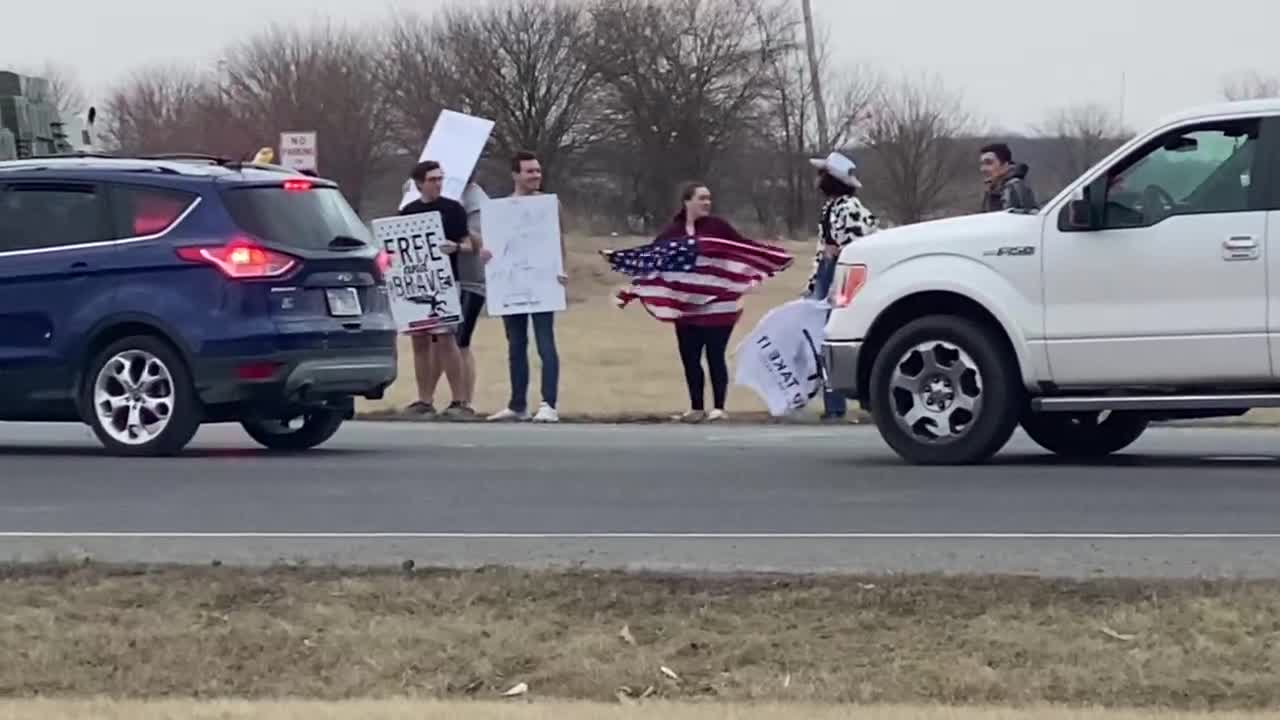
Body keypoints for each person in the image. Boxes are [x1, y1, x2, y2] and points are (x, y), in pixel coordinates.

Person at [654, 182, 755, 423]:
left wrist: (768, 259)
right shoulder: (673, 231)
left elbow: (744, 248)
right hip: (686, 306)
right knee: (690, 357)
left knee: (715, 355)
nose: (707, 203)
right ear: (687, 201)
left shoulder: (718, 227)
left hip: (720, 305)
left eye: (709, 198)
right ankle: (696, 407)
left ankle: (719, 407)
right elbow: (654, 257)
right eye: (701, 198)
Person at [487, 151, 567, 423]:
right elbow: (494, 246)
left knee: (545, 342)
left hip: (543, 283)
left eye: (538, 171)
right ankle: (517, 404)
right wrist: (488, 256)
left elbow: (557, 241)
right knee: (516, 344)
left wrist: (562, 269)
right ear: (515, 175)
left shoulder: (549, 205)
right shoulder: (500, 208)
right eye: (529, 171)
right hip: (511, 284)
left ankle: (548, 403)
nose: (535, 176)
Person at [806, 151, 879, 421]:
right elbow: (821, 249)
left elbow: (863, 246)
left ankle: (843, 406)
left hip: (844, 276)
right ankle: (832, 406)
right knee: (821, 338)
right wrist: (814, 284)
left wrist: (838, 254)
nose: (817, 179)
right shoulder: (831, 208)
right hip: (829, 275)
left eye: (822, 174)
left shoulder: (850, 209)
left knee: (836, 336)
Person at [399, 160, 476, 417]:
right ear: (419, 183)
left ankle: (459, 401)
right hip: (417, 282)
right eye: (432, 180)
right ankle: (424, 400)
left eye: (440, 179)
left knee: (446, 339)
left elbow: (468, 244)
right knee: (419, 341)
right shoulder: (408, 211)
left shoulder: (453, 209)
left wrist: (455, 247)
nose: (438, 184)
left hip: (444, 282)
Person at [456, 176, 493, 416]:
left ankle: (465, 402)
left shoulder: (475, 199)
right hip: (442, 277)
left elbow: (481, 241)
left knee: (461, 341)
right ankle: (428, 400)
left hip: (471, 280)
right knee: (439, 342)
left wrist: (454, 229)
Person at [979, 142, 1038, 212]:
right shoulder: (993, 188)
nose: (983, 169)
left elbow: (1021, 220)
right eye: (982, 164)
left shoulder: (1014, 187)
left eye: (989, 163)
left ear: (1005, 165)